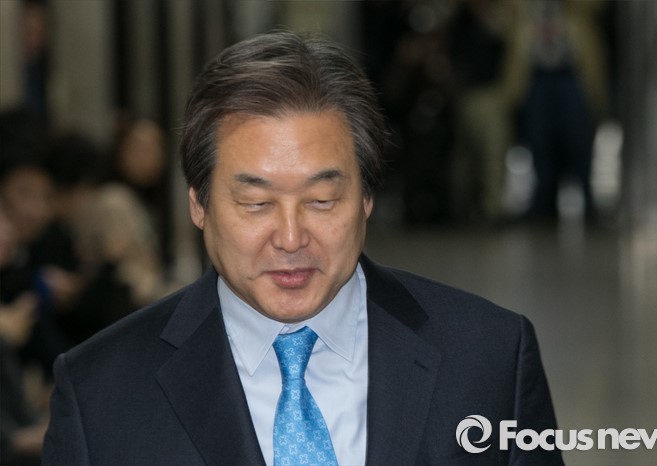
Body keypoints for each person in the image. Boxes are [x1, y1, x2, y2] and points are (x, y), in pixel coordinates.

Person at [42, 31, 563, 465]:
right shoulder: (99, 394)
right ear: (198, 203)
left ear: (366, 198)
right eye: (255, 203)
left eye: (321, 200)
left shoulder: (490, 357)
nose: (291, 239)